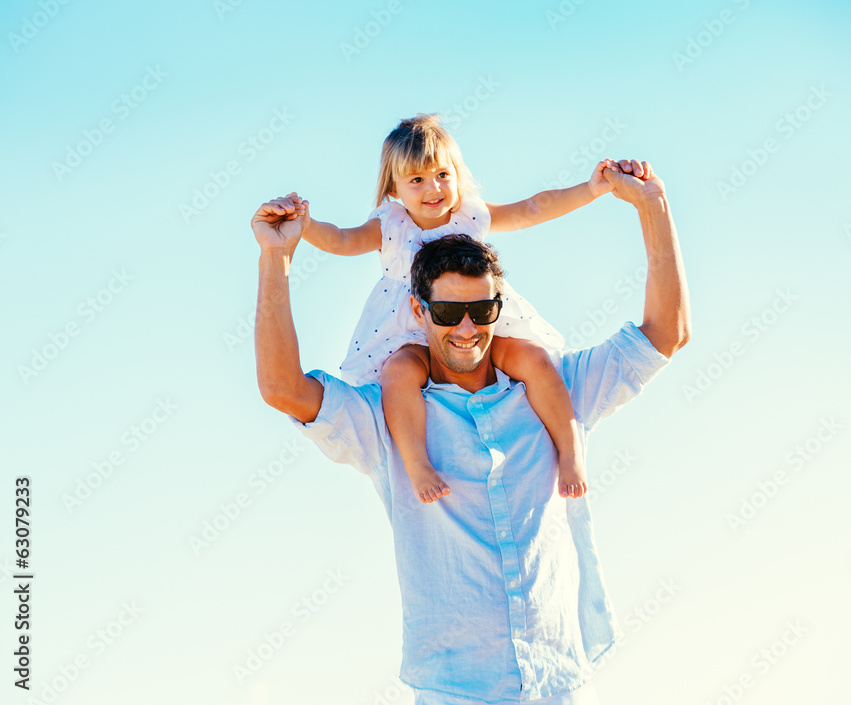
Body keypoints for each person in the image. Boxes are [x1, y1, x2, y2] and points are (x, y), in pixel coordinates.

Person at [251, 158, 691, 704]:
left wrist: (653, 205)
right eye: (447, 311)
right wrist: (276, 258)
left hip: (559, 683)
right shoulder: (388, 414)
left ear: (498, 308)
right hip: (454, 689)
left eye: (481, 309)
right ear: (418, 309)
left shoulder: (553, 388)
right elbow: (283, 389)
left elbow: (666, 333)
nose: (466, 328)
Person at [278, 114, 619, 503]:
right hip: (407, 327)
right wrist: (306, 225)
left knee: (532, 357)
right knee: (400, 372)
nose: (433, 188)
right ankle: (416, 463)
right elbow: (341, 240)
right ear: (394, 188)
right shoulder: (390, 225)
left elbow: (534, 208)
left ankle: (571, 450)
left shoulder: (469, 215)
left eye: (442, 174)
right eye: (417, 180)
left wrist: (590, 189)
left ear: (457, 174)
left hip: (476, 321)